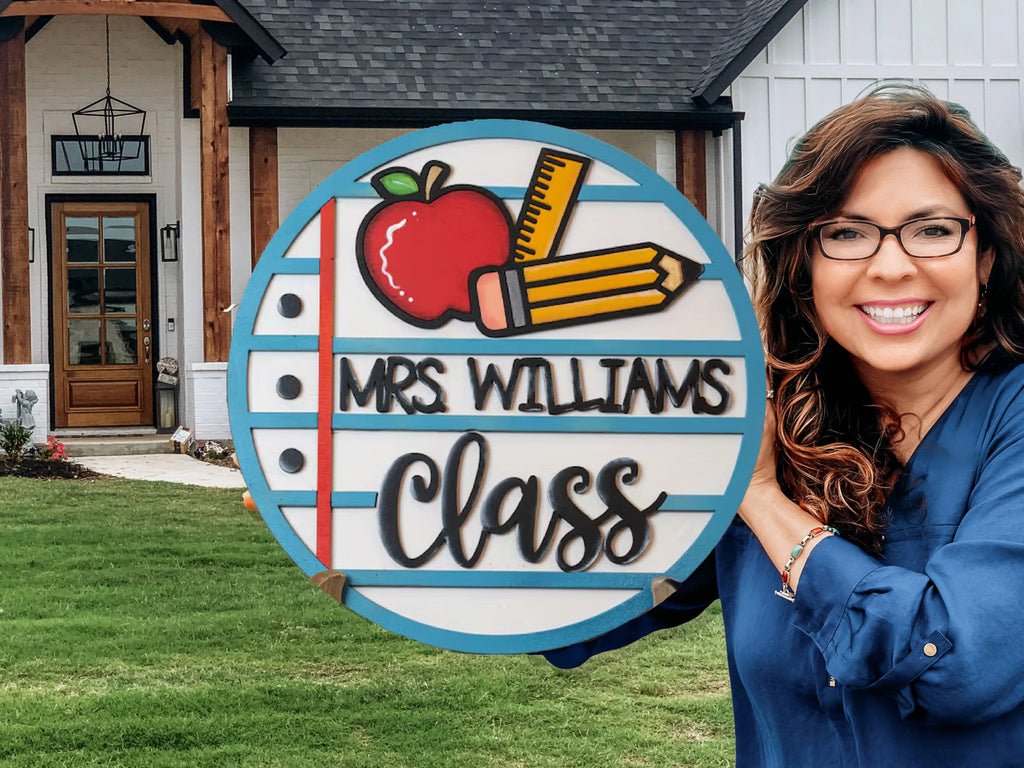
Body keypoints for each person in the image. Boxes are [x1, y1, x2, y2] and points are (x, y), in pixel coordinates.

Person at [542, 84, 1024, 766]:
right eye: (847, 233)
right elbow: (576, 609)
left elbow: (957, 665)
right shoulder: (772, 420)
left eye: (933, 230)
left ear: (986, 258)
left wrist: (763, 498)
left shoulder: (1009, 421)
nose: (891, 267)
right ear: (804, 267)